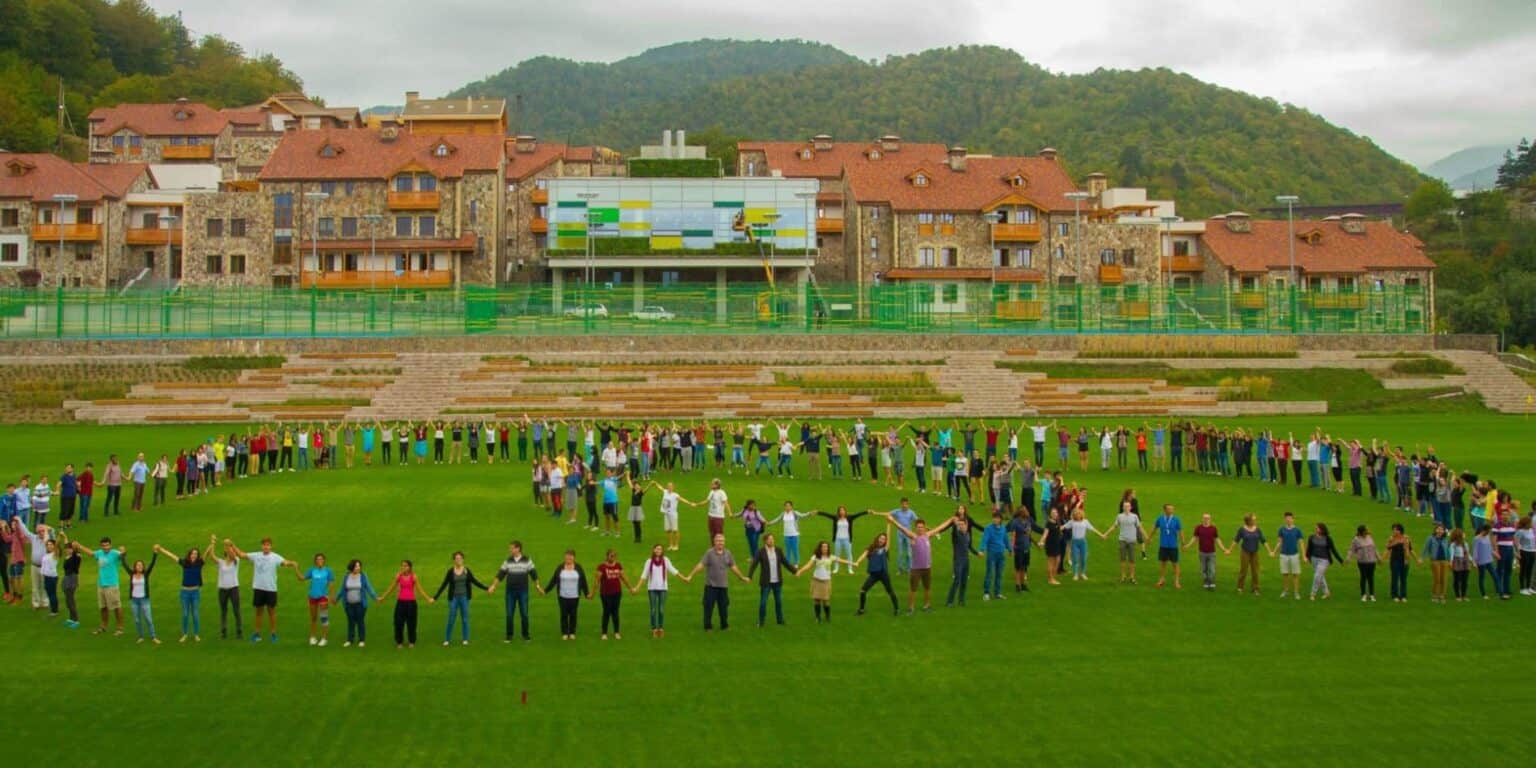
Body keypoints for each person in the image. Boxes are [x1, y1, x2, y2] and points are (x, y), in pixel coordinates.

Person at [884, 514, 956, 613]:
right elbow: (902, 528)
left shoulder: (928, 535)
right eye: (918, 527)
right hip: (916, 569)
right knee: (913, 589)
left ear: (925, 527)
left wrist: (950, 520)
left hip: (927, 568)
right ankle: (911, 608)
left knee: (927, 588)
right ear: (915, 528)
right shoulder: (913, 536)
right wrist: (892, 521)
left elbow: (941, 527)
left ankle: (927, 606)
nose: (920, 529)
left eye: (922, 527)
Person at [229, 538, 295, 643]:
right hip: (258, 588)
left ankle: (273, 633)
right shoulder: (256, 555)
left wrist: (291, 563)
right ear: (261, 546)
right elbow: (241, 555)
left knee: (271, 612)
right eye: (264, 545)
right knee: (259, 612)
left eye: (268, 545)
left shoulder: (275, 557)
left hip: (271, 589)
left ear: (271, 546)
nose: (266, 547)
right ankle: (257, 633)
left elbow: (284, 562)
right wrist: (232, 545)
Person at [152, 537, 214, 643]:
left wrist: (212, 543)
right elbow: (172, 556)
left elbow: (207, 553)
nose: (194, 555)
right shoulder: (185, 563)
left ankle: (196, 634)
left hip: (195, 592)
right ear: (189, 555)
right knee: (185, 614)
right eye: (192, 553)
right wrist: (161, 549)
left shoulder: (199, 563)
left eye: (196, 554)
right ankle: (185, 634)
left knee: (195, 614)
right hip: (185, 592)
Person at [685, 533, 750, 631]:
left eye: (722, 541)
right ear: (714, 542)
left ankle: (724, 625)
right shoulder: (709, 553)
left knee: (724, 607)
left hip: (723, 586)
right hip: (710, 586)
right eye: (718, 541)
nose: (720, 543)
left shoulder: (728, 553)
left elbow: (733, 567)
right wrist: (691, 575)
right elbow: (701, 565)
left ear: (724, 542)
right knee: (708, 607)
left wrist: (741, 577)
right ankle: (708, 626)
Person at [433, 551, 489, 646]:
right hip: (453, 598)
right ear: (454, 560)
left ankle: (465, 639)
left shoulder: (466, 571)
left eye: (460, 558)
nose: (458, 560)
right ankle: (447, 639)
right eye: (456, 558)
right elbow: (444, 584)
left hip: (464, 598)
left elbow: (474, 581)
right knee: (451, 618)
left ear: (463, 559)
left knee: (465, 619)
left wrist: (486, 588)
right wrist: (435, 597)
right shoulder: (450, 571)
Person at [72, 536, 125, 634]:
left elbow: (122, 556)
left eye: (107, 545)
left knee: (116, 607)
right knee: (103, 607)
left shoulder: (114, 553)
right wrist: (79, 546)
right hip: (101, 584)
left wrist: (123, 551)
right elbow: (91, 553)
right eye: (103, 545)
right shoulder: (99, 553)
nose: (105, 547)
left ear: (110, 545)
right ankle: (103, 626)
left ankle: (120, 628)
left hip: (111, 585)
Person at [634, 544, 689, 638]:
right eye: (657, 548)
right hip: (652, 589)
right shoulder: (649, 561)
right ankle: (654, 628)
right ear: (653, 550)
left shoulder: (665, 560)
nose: (658, 550)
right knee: (653, 610)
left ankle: (660, 628)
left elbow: (673, 570)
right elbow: (644, 575)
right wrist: (637, 587)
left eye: (660, 549)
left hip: (663, 588)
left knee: (661, 610)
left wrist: (684, 578)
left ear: (662, 551)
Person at [487, 541, 537, 643]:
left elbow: (534, 574)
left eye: (512, 548)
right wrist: (493, 586)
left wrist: (538, 585)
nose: (510, 550)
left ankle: (526, 635)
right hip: (510, 592)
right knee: (509, 614)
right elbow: (500, 575)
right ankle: (509, 636)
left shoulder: (527, 560)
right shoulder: (508, 561)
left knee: (524, 614)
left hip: (523, 591)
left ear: (518, 549)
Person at [536, 550, 592, 641]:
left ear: (574, 557)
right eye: (566, 557)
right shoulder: (560, 567)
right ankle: (565, 633)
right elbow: (553, 580)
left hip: (575, 596)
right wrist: (545, 591)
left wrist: (587, 594)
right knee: (564, 614)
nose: (568, 559)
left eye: (570, 557)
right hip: (562, 596)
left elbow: (583, 582)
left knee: (573, 614)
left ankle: (572, 632)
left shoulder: (578, 568)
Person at [376, 560, 430, 648]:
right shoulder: (399, 576)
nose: (403, 567)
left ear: (409, 567)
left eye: (405, 566)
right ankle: (399, 642)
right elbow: (391, 587)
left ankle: (412, 641)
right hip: (400, 603)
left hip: (411, 603)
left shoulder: (413, 577)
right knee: (398, 622)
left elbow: (420, 589)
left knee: (411, 623)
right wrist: (383, 597)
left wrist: (428, 599)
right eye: (402, 566)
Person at [796, 540, 852, 622]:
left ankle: (827, 616)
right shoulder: (815, 557)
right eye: (823, 547)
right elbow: (808, 565)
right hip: (817, 580)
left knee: (826, 600)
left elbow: (841, 560)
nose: (825, 548)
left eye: (826, 547)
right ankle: (817, 617)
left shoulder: (831, 557)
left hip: (826, 582)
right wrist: (800, 571)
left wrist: (852, 564)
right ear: (820, 548)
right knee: (816, 599)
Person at [748, 532, 795, 627]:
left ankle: (780, 620)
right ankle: (761, 622)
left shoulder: (778, 550)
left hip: (777, 581)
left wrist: (795, 571)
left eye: (772, 539)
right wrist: (749, 576)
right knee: (763, 602)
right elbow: (754, 564)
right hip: (766, 582)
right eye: (769, 539)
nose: (771, 541)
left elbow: (785, 562)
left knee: (778, 602)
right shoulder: (760, 552)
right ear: (765, 541)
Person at [331, 559, 378, 648]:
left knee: (360, 621)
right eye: (356, 566)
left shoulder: (363, 576)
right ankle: (350, 639)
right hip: (348, 604)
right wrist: (336, 599)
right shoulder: (346, 576)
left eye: (359, 566)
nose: (358, 568)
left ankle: (361, 640)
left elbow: (369, 588)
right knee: (350, 621)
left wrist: (375, 597)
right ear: (352, 567)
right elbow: (342, 589)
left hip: (360, 604)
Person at [293, 553, 336, 646]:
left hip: (323, 597)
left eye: (321, 559)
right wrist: (295, 568)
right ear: (315, 561)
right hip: (312, 596)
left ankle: (324, 638)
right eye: (317, 559)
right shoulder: (312, 570)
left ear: (324, 560)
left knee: (324, 617)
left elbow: (331, 584)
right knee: (313, 618)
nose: (319, 561)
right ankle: (313, 637)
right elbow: (302, 578)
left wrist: (332, 596)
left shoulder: (328, 571)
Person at [122, 551, 161, 644]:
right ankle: (140, 636)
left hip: (144, 600)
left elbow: (152, 564)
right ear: (135, 567)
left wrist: (155, 554)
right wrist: (123, 555)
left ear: (143, 567)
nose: (139, 567)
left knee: (148, 619)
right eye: (137, 565)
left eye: (141, 565)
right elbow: (125, 565)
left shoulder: (146, 574)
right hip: (134, 600)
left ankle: (153, 636)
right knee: (137, 620)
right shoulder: (132, 574)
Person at [816, 507, 868, 574]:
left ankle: (850, 568)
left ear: (845, 511)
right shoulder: (836, 518)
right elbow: (827, 515)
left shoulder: (849, 518)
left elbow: (858, 515)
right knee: (837, 554)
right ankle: (836, 568)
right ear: (838, 512)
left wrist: (866, 512)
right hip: (838, 539)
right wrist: (818, 512)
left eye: (843, 510)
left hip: (847, 539)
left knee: (849, 554)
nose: (842, 512)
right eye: (840, 511)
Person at [1184, 513, 1229, 590]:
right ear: (1202, 519)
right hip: (1202, 552)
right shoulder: (1198, 528)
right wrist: (1188, 545)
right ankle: (1205, 581)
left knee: (1212, 568)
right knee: (1203, 568)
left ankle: (1211, 582)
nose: (1206, 519)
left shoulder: (1213, 528)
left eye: (1208, 518)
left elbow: (1217, 539)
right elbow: (1194, 538)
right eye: (1205, 518)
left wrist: (1223, 549)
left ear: (1210, 519)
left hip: (1212, 552)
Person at [595, 549, 632, 639]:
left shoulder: (618, 565)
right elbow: (597, 581)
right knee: (606, 612)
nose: (613, 558)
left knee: (615, 612)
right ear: (607, 556)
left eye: (614, 556)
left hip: (617, 593)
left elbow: (623, 577)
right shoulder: (601, 567)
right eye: (611, 556)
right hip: (605, 593)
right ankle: (604, 633)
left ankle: (616, 632)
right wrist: (592, 593)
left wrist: (631, 588)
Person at [212, 538, 243, 640]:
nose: (231, 552)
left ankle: (239, 631)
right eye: (229, 551)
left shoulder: (236, 561)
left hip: (234, 589)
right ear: (225, 553)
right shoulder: (221, 562)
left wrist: (229, 544)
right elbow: (211, 556)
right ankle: (223, 631)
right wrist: (212, 543)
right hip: (222, 590)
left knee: (236, 610)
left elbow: (233, 555)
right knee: (223, 611)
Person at [1271, 512, 1306, 600]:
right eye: (1287, 518)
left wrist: (1304, 555)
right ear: (1285, 519)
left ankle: (1296, 592)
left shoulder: (1297, 530)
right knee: (1285, 574)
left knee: (1295, 574)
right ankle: (1285, 591)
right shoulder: (1281, 530)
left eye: (1290, 518)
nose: (1288, 520)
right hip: (1284, 555)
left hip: (1294, 555)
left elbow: (1301, 543)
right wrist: (1274, 552)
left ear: (1293, 519)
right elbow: (1279, 542)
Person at [1110, 500, 1144, 585]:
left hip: (1132, 540)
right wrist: (1106, 534)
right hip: (1122, 540)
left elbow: (1139, 527)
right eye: (1125, 506)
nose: (1126, 508)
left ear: (1131, 507)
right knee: (1122, 559)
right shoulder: (1119, 516)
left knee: (1132, 559)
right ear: (1123, 507)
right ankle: (1123, 576)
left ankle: (1132, 577)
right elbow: (1114, 526)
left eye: (1128, 506)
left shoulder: (1134, 516)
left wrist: (1146, 537)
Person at [1008, 509, 1042, 592]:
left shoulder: (1027, 521)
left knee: (1024, 567)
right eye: (1026, 511)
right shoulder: (1015, 523)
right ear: (1021, 513)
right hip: (1018, 548)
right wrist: (1011, 548)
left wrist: (1035, 543)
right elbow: (1013, 536)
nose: (1028, 512)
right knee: (1018, 567)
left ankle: (1023, 584)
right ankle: (1017, 585)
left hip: (1026, 547)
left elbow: (1028, 535)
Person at [980, 511, 1012, 600]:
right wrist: (982, 550)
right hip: (992, 554)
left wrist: (1010, 549)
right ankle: (986, 593)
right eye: (994, 518)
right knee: (989, 573)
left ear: (1000, 519)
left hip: (1001, 554)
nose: (995, 519)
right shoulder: (988, 528)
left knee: (999, 574)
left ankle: (997, 593)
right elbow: (984, 539)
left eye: (997, 518)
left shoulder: (1003, 529)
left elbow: (1006, 539)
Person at [1063, 507, 1100, 581]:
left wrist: (1101, 535)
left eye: (1079, 514)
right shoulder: (1072, 522)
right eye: (1075, 514)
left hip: (1083, 542)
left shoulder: (1085, 521)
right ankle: (1076, 574)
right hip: (1075, 542)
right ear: (1074, 515)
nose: (1077, 515)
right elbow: (1063, 527)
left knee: (1083, 558)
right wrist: (1053, 530)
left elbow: (1093, 529)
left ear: (1081, 514)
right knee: (1075, 558)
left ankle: (1083, 573)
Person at [1152, 504, 1184, 589]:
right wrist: (1149, 538)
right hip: (1163, 545)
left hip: (1173, 545)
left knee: (1175, 564)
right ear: (1165, 510)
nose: (1171, 511)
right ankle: (1161, 579)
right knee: (1163, 563)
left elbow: (1180, 532)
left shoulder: (1176, 520)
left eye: (1172, 509)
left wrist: (1183, 543)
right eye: (1169, 509)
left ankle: (1177, 581)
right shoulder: (1160, 519)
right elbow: (1154, 528)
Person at [1233, 515, 1265, 595]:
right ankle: (1240, 587)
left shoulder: (1257, 529)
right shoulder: (1242, 529)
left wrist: (1270, 551)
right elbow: (1236, 540)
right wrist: (1229, 550)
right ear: (1249, 521)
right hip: (1245, 552)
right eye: (1253, 520)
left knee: (1255, 571)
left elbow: (1263, 540)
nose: (1255, 521)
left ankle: (1255, 588)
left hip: (1255, 552)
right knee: (1243, 570)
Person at [1346, 525, 1379, 602]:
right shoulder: (1356, 540)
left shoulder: (1370, 537)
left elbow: (1374, 548)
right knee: (1363, 577)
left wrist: (1378, 557)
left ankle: (1372, 595)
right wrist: (1348, 559)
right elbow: (1351, 550)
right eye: (1366, 530)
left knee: (1371, 578)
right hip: (1362, 562)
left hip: (1371, 561)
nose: (1367, 531)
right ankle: (1363, 594)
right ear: (1362, 531)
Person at [1385, 523, 1414, 603]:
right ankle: (1394, 595)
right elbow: (1387, 547)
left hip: (1405, 561)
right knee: (1395, 578)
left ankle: (1403, 595)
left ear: (1400, 530)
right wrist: (1396, 542)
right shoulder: (1391, 538)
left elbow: (1410, 549)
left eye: (1395, 530)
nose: (1394, 531)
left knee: (1403, 579)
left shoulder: (1406, 538)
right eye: (1393, 530)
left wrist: (1415, 559)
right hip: (1395, 561)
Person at [1472, 525, 1497, 600]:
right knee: (1482, 577)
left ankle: (1498, 591)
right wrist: (1474, 562)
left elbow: (1489, 548)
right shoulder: (1476, 539)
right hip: (1481, 561)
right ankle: (1483, 594)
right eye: (1489, 531)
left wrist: (1495, 554)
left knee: (1495, 575)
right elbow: (1475, 551)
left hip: (1489, 560)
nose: (1490, 532)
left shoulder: (1487, 537)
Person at [1449, 528, 1472, 601]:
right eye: (1462, 533)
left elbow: (1468, 554)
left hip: (1465, 562)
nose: (1464, 535)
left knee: (1465, 580)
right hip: (1457, 562)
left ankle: (1464, 595)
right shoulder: (1453, 545)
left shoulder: (1465, 544)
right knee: (1457, 579)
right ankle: (1457, 596)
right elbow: (1451, 554)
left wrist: (1472, 561)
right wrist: (1451, 562)